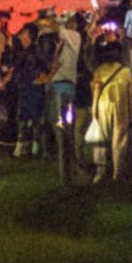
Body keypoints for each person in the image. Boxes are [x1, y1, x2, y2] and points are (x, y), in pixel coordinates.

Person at [41, 13, 84, 178]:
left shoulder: (69, 34)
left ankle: (65, 173)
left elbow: (54, 25)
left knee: (60, 129)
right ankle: (71, 169)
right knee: (68, 128)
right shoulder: (75, 37)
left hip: (57, 84)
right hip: (69, 84)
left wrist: (47, 16)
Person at [87, 37, 132, 182]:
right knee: (119, 139)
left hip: (102, 105)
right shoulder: (125, 71)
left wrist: (94, 109)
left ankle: (100, 172)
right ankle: (117, 173)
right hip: (121, 106)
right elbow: (130, 93)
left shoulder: (99, 70)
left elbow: (95, 90)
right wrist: (131, 111)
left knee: (101, 139)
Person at [9, 25, 49, 158]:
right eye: (22, 34)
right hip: (23, 87)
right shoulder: (18, 52)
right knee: (22, 117)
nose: (23, 37)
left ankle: (36, 147)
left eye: (26, 35)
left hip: (34, 87)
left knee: (36, 116)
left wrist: (40, 76)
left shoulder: (37, 51)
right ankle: (21, 146)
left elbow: (44, 67)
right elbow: (15, 69)